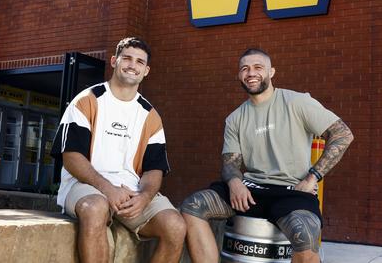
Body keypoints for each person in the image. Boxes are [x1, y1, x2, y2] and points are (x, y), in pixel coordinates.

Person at [181, 48, 354, 263]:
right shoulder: (235, 118)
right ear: (239, 75)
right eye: (245, 69)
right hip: (251, 191)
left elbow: (343, 134)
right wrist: (235, 182)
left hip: (292, 191)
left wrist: (313, 177)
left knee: (305, 235)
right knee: (193, 206)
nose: (250, 73)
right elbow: (230, 163)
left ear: (271, 72)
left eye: (257, 67)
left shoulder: (296, 102)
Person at [51, 37, 186, 263]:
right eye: (127, 58)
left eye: (139, 62)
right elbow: (71, 158)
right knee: (95, 207)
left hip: (131, 192)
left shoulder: (150, 116)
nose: (133, 65)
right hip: (87, 186)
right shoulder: (86, 101)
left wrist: (144, 197)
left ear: (146, 70)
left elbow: (154, 170)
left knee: (175, 225)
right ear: (114, 61)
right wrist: (107, 188)